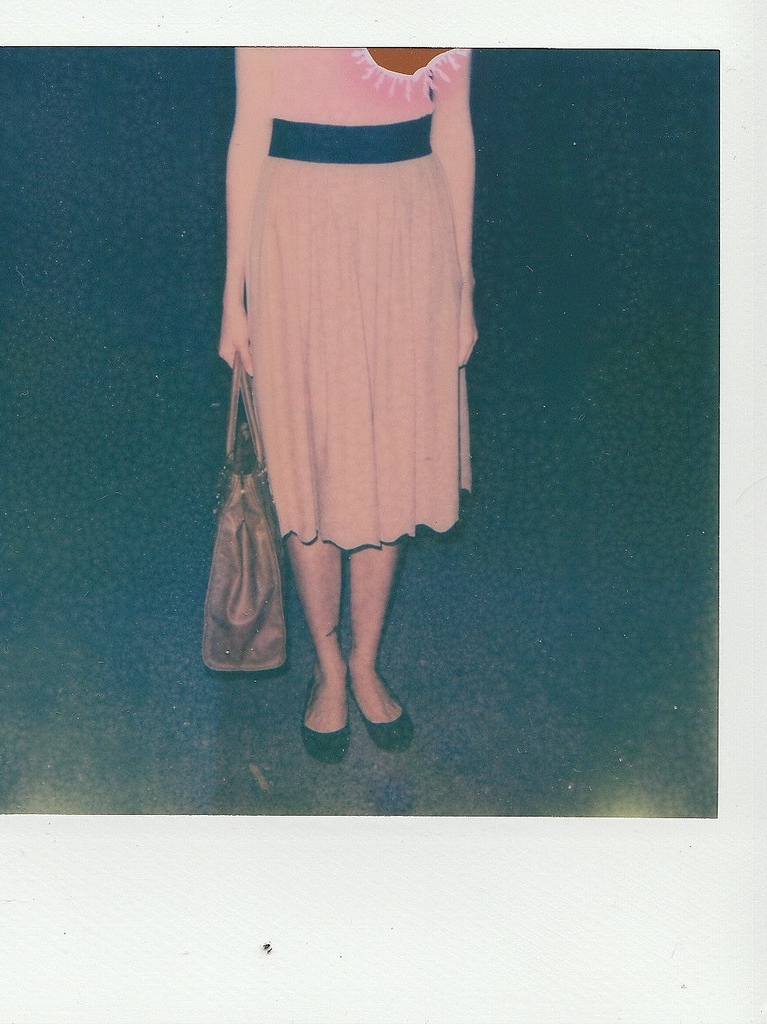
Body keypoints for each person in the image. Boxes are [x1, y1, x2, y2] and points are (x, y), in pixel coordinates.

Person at [218, 47, 477, 762]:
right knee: (308, 451)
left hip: (408, 230)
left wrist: (463, 284)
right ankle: (327, 665)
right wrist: (233, 295)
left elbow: (454, 128)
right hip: (296, 227)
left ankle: (364, 661)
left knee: (388, 452)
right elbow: (249, 130)